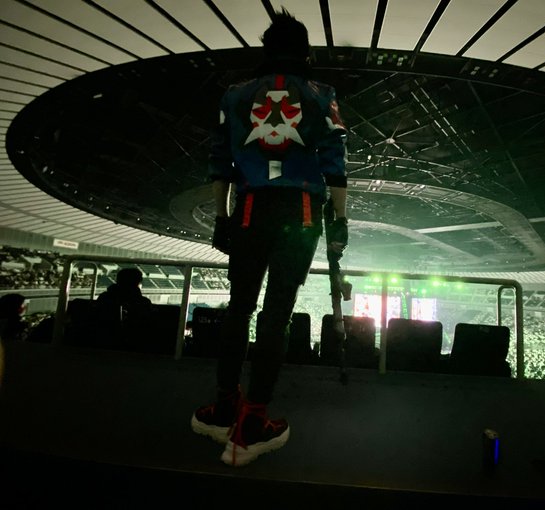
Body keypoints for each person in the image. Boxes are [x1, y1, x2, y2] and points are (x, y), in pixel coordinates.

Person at [191, 8, 348, 467]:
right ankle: (253, 426)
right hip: (300, 211)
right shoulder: (322, 94)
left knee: (239, 307)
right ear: (305, 51)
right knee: (275, 315)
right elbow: (334, 164)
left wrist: (223, 217)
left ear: (266, 49)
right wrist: (340, 221)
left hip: (249, 208)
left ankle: (224, 408)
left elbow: (220, 161)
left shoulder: (234, 94)